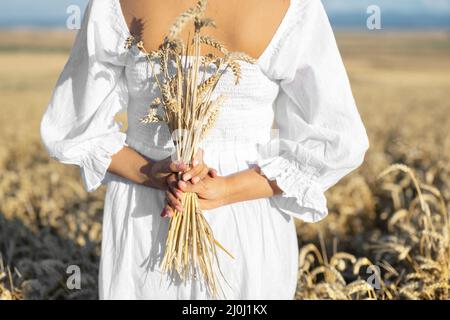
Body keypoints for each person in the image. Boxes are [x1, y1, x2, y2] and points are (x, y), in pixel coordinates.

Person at [40, 0, 369, 299]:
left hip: (146, 217)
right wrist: (225, 189)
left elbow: (72, 128)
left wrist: (154, 173)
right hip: (249, 221)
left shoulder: (113, 4)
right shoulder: (293, 6)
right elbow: (337, 140)